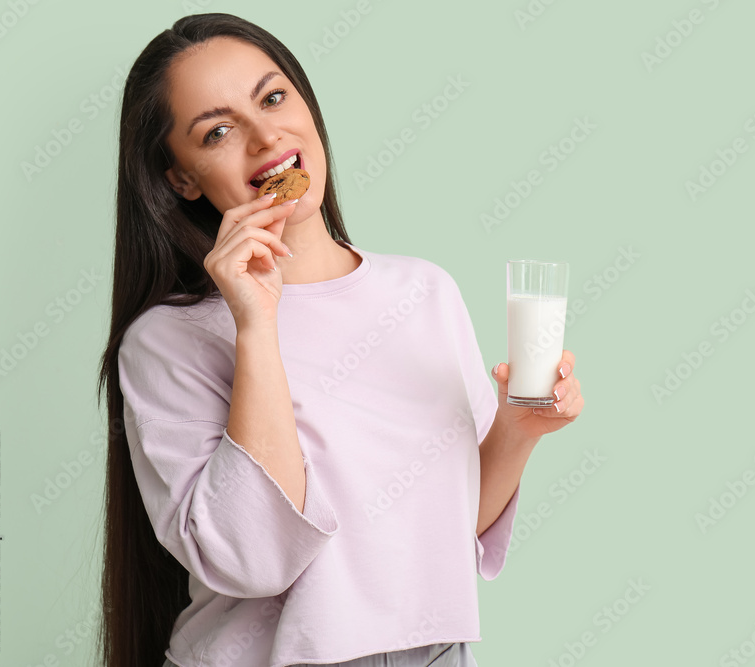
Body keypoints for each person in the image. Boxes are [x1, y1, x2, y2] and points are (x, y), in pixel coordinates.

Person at [95, 13, 584, 667]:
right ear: (181, 178)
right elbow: (253, 558)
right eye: (217, 131)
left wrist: (521, 426)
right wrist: (256, 322)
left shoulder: (425, 291)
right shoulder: (167, 342)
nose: (267, 136)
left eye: (273, 97)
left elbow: (447, 531)